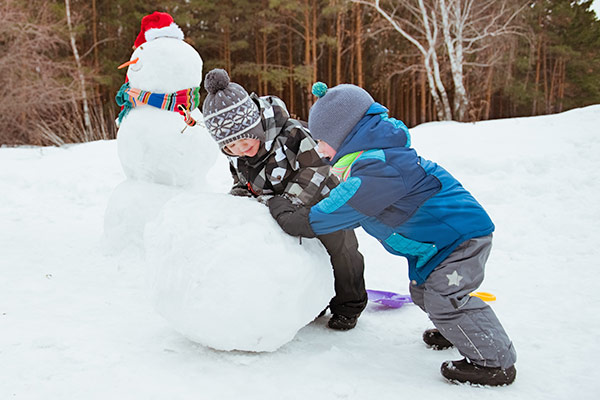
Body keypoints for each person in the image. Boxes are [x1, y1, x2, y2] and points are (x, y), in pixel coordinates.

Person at [267, 82, 517, 386]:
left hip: (459, 238)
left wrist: (292, 214)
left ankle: (494, 363)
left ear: (343, 134)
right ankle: (460, 328)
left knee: (444, 298)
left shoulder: (379, 166)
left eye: (322, 140)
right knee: (423, 292)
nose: (319, 148)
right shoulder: (371, 160)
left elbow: (334, 211)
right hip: (438, 244)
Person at [201, 69, 368, 330]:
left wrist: (291, 200)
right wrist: (239, 202)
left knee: (342, 250)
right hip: (286, 212)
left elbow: (316, 168)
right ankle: (314, 299)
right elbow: (242, 183)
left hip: (325, 202)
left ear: (255, 125)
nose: (241, 149)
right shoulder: (239, 156)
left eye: (244, 139)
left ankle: (349, 303)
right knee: (301, 255)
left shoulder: (291, 134)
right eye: (231, 146)